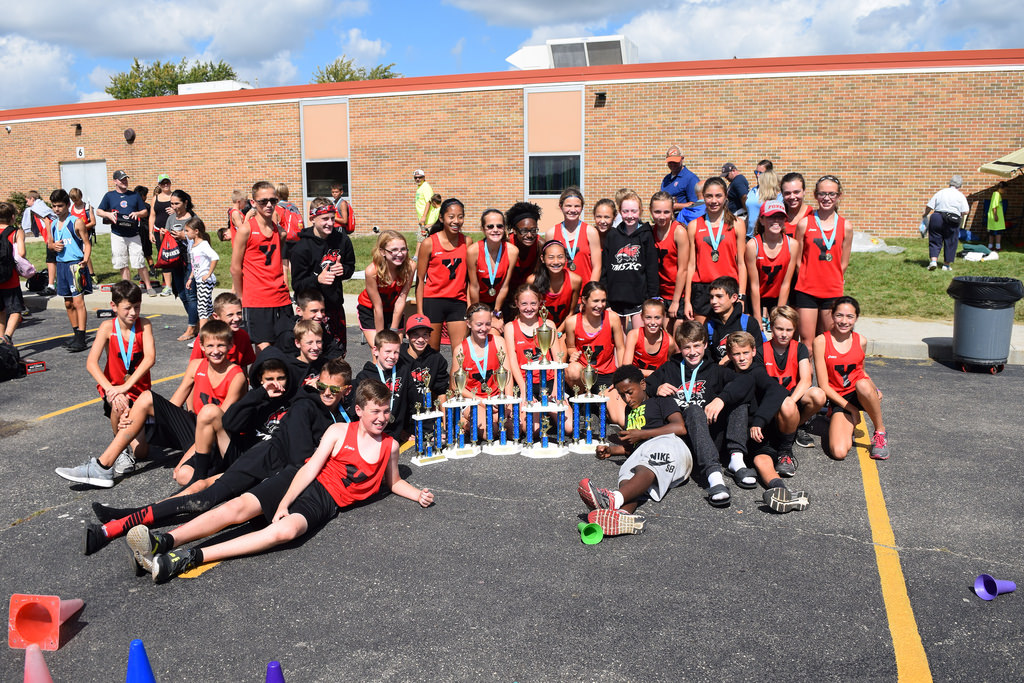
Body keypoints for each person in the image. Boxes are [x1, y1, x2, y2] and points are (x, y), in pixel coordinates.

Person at [128, 379, 434, 584]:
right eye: (375, 412)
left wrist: (417, 493)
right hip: (298, 480)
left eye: (385, 412)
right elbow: (309, 469)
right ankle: (164, 540)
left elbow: (392, 482)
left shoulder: (389, 447)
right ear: (359, 410)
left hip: (324, 502)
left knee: (285, 531)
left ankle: (188, 558)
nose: (381, 418)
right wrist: (284, 502)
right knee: (239, 507)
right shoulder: (340, 431)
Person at [91, 360, 352, 554]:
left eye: (333, 388)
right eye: (322, 386)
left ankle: (129, 519)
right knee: (204, 499)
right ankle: (115, 526)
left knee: (221, 506)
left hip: (280, 472)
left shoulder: (342, 417)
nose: (326, 392)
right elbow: (300, 456)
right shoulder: (307, 403)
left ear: (346, 391)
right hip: (263, 461)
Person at [55, 320, 246, 488]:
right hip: (194, 427)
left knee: (183, 476)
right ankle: (103, 466)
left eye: (221, 345)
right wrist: (133, 420)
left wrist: (184, 460)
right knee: (145, 398)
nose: (215, 350)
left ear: (230, 345)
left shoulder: (236, 375)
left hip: (215, 440)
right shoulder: (196, 366)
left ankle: (225, 477)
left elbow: (216, 427)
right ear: (201, 346)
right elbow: (172, 406)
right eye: (210, 345)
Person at [646, 320, 753, 507]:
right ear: (680, 348)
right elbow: (645, 385)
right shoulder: (669, 369)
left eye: (697, 345)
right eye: (687, 347)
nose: (693, 352)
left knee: (738, 400)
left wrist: (721, 399)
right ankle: (715, 478)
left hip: (712, 438)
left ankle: (737, 460)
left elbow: (745, 384)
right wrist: (656, 387)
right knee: (694, 410)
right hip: (683, 442)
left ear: (705, 344)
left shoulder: (715, 370)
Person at [577, 365, 692, 536]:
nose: (627, 398)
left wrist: (642, 434)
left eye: (630, 392)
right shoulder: (628, 411)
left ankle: (611, 500)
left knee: (647, 464)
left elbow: (680, 427)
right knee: (627, 478)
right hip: (643, 454)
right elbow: (633, 448)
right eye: (622, 395)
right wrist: (612, 451)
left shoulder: (660, 401)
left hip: (668, 446)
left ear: (643, 384)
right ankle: (621, 516)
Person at [85, 279, 156, 477]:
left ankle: (136, 432)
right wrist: (111, 389)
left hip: (137, 391)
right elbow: (91, 363)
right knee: (119, 403)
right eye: (127, 308)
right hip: (115, 391)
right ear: (113, 306)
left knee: (142, 453)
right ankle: (121, 451)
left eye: (137, 307)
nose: (133, 313)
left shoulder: (145, 325)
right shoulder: (107, 327)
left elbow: (150, 358)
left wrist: (125, 386)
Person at [813, 296, 889, 461]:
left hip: (859, 392)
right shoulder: (821, 341)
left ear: (856, 318)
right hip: (839, 397)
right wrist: (852, 410)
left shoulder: (861, 340)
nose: (844, 321)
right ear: (832, 315)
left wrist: (875, 389)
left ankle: (880, 432)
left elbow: (861, 370)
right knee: (839, 452)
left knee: (862, 385)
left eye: (849, 317)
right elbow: (824, 386)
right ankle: (834, 415)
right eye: (839, 315)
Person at [793, 175, 854, 352]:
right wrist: (807, 276)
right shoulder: (804, 223)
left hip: (832, 290)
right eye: (822, 194)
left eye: (831, 194)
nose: (827, 198)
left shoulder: (846, 226)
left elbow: (844, 262)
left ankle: (825, 381)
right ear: (815, 195)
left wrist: (832, 278)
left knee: (827, 342)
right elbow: (797, 259)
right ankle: (805, 379)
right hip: (807, 289)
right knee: (807, 343)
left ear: (839, 196)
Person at [290, 197, 356, 357]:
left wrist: (344, 270)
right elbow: (297, 284)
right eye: (325, 219)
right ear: (312, 218)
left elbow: (350, 266)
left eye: (333, 218)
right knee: (313, 355)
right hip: (311, 312)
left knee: (337, 357)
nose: (330, 223)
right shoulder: (301, 247)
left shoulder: (342, 240)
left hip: (334, 307)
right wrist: (317, 280)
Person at [231, 181, 294, 350]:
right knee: (265, 353)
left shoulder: (280, 232)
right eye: (263, 201)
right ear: (253, 203)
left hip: (281, 298)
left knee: (286, 348)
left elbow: (281, 263)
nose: (269, 205)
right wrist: (242, 297)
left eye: (273, 201)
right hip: (257, 300)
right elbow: (235, 268)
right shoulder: (246, 230)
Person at [763, 305, 825, 452]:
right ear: (771, 327)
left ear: (795, 329)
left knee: (818, 395)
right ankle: (783, 430)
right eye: (779, 329)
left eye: (789, 330)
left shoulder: (800, 348)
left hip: (793, 398)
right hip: (770, 401)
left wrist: (791, 401)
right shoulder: (761, 349)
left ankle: (797, 426)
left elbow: (806, 380)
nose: (784, 334)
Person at [684, 177, 746, 324]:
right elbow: (691, 265)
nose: (713, 201)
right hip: (702, 289)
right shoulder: (694, 225)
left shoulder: (737, 224)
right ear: (703, 197)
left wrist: (742, 296)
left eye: (718, 196)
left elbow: (742, 263)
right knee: (701, 338)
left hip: (729, 288)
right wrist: (687, 300)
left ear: (725, 197)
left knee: (729, 339)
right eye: (709, 196)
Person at [416, 197, 472, 352]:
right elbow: (420, 279)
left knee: (460, 352)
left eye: (460, 217)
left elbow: (470, 279)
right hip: (433, 301)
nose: (456, 221)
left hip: (458, 302)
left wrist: (469, 305)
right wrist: (420, 311)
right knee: (432, 352)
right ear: (441, 218)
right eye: (451, 217)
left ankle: (457, 378)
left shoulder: (467, 242)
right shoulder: (429, 243)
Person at [601, 190, 659, 331]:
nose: (630, 216)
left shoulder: (646, 235)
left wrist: (652, 297)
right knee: (618, 340)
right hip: (615, 298)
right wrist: (605, 297)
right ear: (620, 212)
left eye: (634, 211)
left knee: (638, 339)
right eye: (625, 211)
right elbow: (605, 268)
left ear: (640, 211)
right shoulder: (612, 235)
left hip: (639, 299)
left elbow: (651, 268)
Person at [46, 189, 93, 352]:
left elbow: (87, 243)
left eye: (60, 206)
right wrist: (53, 246)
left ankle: (81, 337)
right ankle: (75, 334)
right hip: (61, 265)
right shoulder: (52, 224)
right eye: (54, 206)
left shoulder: (76, 222)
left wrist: (85, 259)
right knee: (67, 303)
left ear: (67, 205)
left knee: (78, 302)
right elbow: (49, 243)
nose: (57, 209)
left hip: (75, 264)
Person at [96, 170, 153, 294]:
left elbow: (145, 212)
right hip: (118, 234)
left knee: (139, 261)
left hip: (134, 234)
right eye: (122, 180)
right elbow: (99, 211)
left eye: (126, 179)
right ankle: (128, 289)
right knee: (122, 261)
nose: (124, 181)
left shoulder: (134, 195)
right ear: (115, 181)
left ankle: (149, 287)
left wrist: (137, 213)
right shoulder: (109, 196)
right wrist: (108, 214)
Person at [503, 284, 564, 398]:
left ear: (540, 303)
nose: (529, 308)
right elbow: (512, 360)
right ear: (517, 303)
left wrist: (557, 388)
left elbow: (557, 359)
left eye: (533, 303)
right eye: (524, 303)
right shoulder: (510, 327)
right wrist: (524, 388)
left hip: (548, 381)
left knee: (565, 415)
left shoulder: (549, 325)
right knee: (532, 414)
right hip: (524, 381)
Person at [357, 230, 414, 347]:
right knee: (379, 351)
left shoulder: (410, 266)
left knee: (395, 350)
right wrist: (381, 338)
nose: (400, 254)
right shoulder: (372, 271)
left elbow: (401, 300)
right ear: (382, 251)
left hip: (393, 309)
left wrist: (393, 330)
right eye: (394, 250)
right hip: (371, 310)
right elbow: (377, 307)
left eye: (403, 249)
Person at [745, 199, 797, 326]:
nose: (776, 221)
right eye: (770, 217)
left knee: (781, 329)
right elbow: (754, 285)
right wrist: (757, 317)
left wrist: (779, 315)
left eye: (780, 217)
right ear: (762, 220)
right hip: (757, 295)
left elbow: (786, 284)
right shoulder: (753, 245)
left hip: (779, 295)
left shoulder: (793, 245)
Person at [565, 282, 624, 393]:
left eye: (603, 301)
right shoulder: (571, 322)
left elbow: (620, 347)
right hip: (583, 373)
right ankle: (581, 401)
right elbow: (570, 346)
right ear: (584, 300)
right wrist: (573, 354)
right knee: (573, 370)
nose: (600, 305)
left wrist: (621, 375)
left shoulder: (613, 318)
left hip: (606, 372)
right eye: (596, 301)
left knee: (612, 407)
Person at [353, 329, 411, 440]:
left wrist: (410, 429)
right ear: (375, 351)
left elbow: (412, 400)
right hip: (371, 435)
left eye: (396, 352)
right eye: (387, 352)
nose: (392, 356)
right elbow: (358, 411)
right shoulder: (364, 377)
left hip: (396, 434)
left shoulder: (404, 371)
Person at [468, 210, 517, 335]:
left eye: (499, 226)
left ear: (504, 228)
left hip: (497, 305)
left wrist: (494, 314)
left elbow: (504, 286)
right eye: (490, 226)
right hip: (476, 302)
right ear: (483, 229)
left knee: (494, 334)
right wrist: (479, 314)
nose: (495, 230)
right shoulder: (473, 251)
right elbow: (473, 287)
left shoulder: (512, 251)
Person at [161, 190, 200, 341]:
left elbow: (202, 239)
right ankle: (195, 322)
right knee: (181, 294)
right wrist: (164, 234)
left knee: (190, 295)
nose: (174, 206)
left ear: (185, 203)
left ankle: (191, 327)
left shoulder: (193, 219)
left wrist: (184, 236)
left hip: (191, 261)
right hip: (175, 260)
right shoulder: (171, 218)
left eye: (177, 203)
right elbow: (165, 239)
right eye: (172, 203)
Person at [397, 314, 450, 424]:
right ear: (407, 335)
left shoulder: (437, 359)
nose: (421, 339)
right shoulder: (397, 356)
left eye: (425, 335)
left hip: (425, 413)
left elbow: (441, 392)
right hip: (401, 414)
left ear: (430, 336)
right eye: (415, 335)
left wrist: (446, 425)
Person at [544, 187, 601, 284]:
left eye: (577, 206)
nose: (572, 210)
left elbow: (597, 266)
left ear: (582, 207)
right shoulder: (551, 233)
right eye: (568, 206)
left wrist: (590, 291)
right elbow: (548, 264)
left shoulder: (591, 232)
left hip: (585, 292)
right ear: (561, 206)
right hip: (561, 291)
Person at [190, 292, 256, 373]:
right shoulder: (205, 337)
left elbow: (243, 368)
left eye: (239, 313)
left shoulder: (243, 336)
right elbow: (193, 369)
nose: (236, 318)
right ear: (216, 316)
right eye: (230, 315)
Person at [650, 191, 688, 323]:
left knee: (678, 335)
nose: (661, 216)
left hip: (677, 294)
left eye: (666, 212)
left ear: (672, 211)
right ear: (650, 211)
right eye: (657, 212)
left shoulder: (679, 232)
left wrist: (676, 301)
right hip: (660, 294)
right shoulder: (650, 231)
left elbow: (683, 269)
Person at [528, 240, 581, 333]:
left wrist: (557, 333)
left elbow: (571, 313)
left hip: (562, 330)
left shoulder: (575, 280)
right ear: (542, 258)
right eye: (551, 257)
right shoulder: (532, 281)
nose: (556, 262)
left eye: (560, 257)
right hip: (537, 328)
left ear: (565, 258)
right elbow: (530, 311)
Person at [920, 175, 970, 271]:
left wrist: (925, 215)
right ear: (960, 185)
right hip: (953, 219)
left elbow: (929, 206)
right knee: (951, 241)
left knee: (935, 239)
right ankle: (946, 265)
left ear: (950, 183)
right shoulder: (960, 195)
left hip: (937, 217)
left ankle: (933, 261)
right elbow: (966, 211)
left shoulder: (941, 192)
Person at [503, 201, 541, 319]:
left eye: (533, 230)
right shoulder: (505, 244)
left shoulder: (540, 245)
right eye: (524, 231)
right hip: (505, 294)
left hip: (528, 296)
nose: (529, 235)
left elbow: (538, 279)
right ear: (514, 230)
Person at [623, 299, 676, 377]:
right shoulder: (634, 335)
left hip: (657, 382)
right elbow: (626, 368)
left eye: (657, 318)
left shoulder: (669, 342)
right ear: (642, 317)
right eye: (648, 317)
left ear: (664, 317)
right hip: (635, 379)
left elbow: (668, 370)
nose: (653, 322)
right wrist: (654, 373)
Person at [183, 217, 218, 331]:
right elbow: (194, 265)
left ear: (196, 231)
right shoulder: (193, 246)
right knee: (208, 309)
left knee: (202, 310)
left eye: (187, 230)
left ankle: (201, 338)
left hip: (205, 281)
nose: (186, 233)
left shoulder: (203, 245)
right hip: (198, 280)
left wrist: (208, 274)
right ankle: (221, 328)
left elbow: (215, 257)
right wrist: (190, 278)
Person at [0, 202, 27, 344]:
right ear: (12, 217)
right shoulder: (16, 232)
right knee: (16, 310)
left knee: (1, 311)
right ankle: (7, 337)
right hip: (10, 278)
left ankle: (1, 340)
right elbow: (21, 253)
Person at [23, 191, 57, 294]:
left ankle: (51, 286)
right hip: (50, 237)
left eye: (27, 200)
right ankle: (55, 283)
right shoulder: (37, 208)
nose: (27, 203)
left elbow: (47, 221)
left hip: (51, 237)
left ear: (32, 199)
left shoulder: (37, 209)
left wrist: (49, 239)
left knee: (51, 261)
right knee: (52, 260)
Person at [150, 175, 175, 294]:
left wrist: (175, 210)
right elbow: (152, 215)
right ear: (159, 185)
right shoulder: (155, 198)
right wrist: (150, 232)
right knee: (163, 257)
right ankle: (168, 286)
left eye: (167, 182)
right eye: (163, 183)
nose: (165, 185)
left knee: (175, 256)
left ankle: (177, 283)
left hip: (173, 231)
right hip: (158, 232)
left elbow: (186, 210)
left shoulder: (175, 196)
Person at [68, 187, 99, 282]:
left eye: (77, 200)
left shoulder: (87, 207)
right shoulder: (71, 208)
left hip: (85, 233)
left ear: (81, 197)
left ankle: (91, 274)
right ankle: (80, 272)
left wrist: (82, 227)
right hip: (75, 234)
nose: (75, 202)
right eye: (73, 200)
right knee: (78, 253)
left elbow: (93, 222)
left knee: (85, 252)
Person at [744, 162, 781, 239]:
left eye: (760, 173)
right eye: (756, 172)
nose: (757, 175)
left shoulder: (776, 194)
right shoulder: (753, 190)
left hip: (764, 235)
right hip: (749, 235)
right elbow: (749, 213)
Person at [660, 144, 701, 214]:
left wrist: (675, 206)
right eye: (670, 162)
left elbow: (697, 204)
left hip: (684, 221)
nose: (672, 164)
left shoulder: (691, 178)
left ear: (682, 159)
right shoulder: (666, 179)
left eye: (675, 162)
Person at [780, 172, 810, 238]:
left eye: (796, 192)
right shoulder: (777, 217)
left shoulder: (813, 216)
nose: (792, 197)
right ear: (782, 194)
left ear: (804, 191)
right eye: (787, 193)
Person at [414, 169, 435, 238]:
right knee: (421, 240)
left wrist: (424, 217)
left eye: (420, 177)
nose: (417, 179)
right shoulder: (420, 187)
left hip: (427, 221)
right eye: (415, 177)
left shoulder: (426, 187)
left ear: (424, 177)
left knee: (423, 240)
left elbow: (428, 202)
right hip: (422, 220)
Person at [987, 181, 1007, 251]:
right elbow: (994, 206)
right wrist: (995, 215)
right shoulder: (996, 194)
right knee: (998, 232)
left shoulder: (997, 194)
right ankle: (998, 247)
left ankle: (990, 246)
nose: (1005, 191)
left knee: (992, 232)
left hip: (996, 217)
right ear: (1000, 188)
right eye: (1004, 189)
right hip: (995, 217)